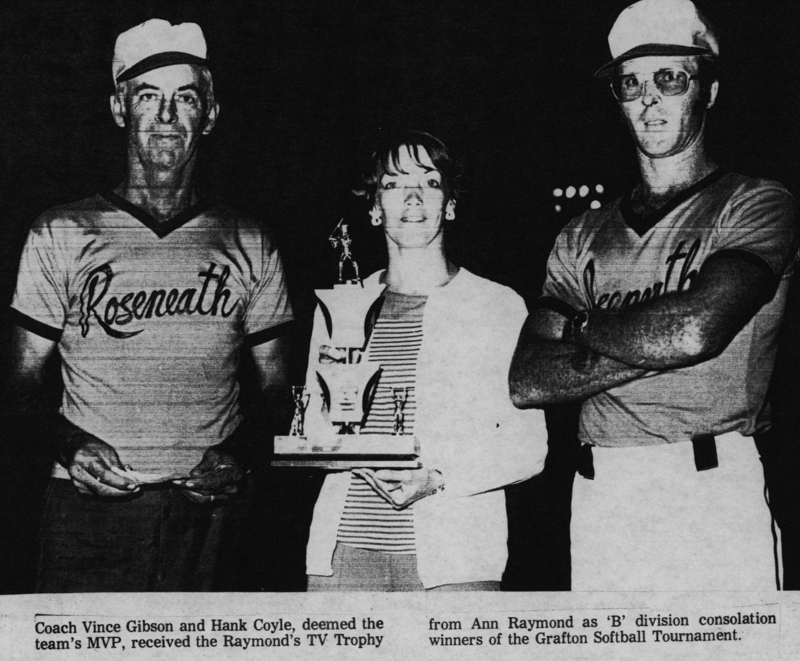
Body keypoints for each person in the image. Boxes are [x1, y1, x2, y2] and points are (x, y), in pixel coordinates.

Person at [509, 0, 798, 591]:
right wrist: (664, 339)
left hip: (709, 487)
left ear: (708, 92)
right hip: (601, 493)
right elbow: (528, 380)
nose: (648, 100)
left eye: (669, 79)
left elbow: (695, 330)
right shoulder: (581, 234)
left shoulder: (755, 203)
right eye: (631, 83)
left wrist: (581, 327)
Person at [8, 19, 293, 592]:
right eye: (147, 96)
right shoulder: (61, 231)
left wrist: (238, 454)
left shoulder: (249, 239)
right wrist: (71, 446)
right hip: (89, 511)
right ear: (119, 108)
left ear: (209, 115)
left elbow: (279, 389)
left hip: (210, 515)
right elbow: (16, 384)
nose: (166, 115)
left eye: (185, 97)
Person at [304, 131, 548, 591]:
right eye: (393, 183)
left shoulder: (497, 306)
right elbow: (315, 431)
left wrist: (437, 477)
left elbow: (528, 448)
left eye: (430, 182)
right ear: (375, 208)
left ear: (449, 204)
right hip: (342, 560)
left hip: (455, 560)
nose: (413, 196)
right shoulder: (340, 304)